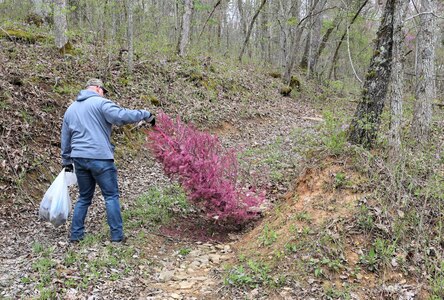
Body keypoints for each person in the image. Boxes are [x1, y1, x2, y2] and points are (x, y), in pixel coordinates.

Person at [61, 78, 155, 243]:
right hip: (100, 158)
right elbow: (121, 116)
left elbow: (65, 137)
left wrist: (66, 160)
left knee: (84, 197)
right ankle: (117, 237)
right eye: (103, 91)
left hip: (79, 158)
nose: (104, 94)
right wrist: (145, 114)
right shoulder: (101, 103)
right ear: (98, 88)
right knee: (111, 196)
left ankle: (76, 236)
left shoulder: (71, 109)